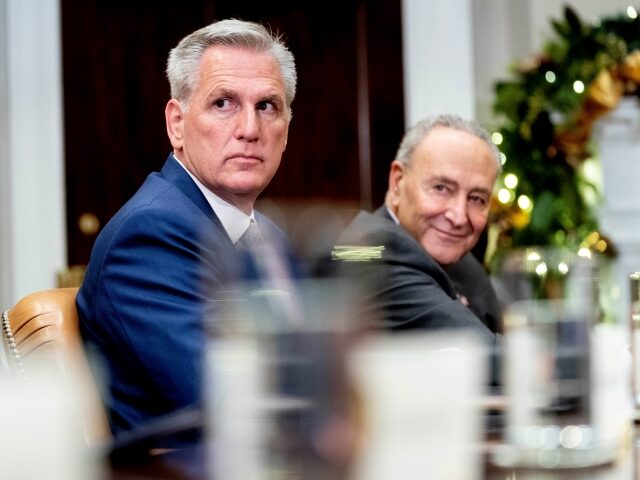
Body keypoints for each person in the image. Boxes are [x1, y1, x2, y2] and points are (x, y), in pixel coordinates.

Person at [76, 19, 297, 445]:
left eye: (267, 106)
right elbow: (232, 401)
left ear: (287, 129)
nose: (250, 129)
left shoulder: (267, 236)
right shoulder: (148, 235)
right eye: (223, 103)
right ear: (176, 123)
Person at [333, 114, 502, 345]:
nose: (459, 216)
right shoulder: (366, 251)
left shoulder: (466, 265)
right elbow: (483, 353)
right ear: (397, 182)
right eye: (441, 188)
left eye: (477, 198)